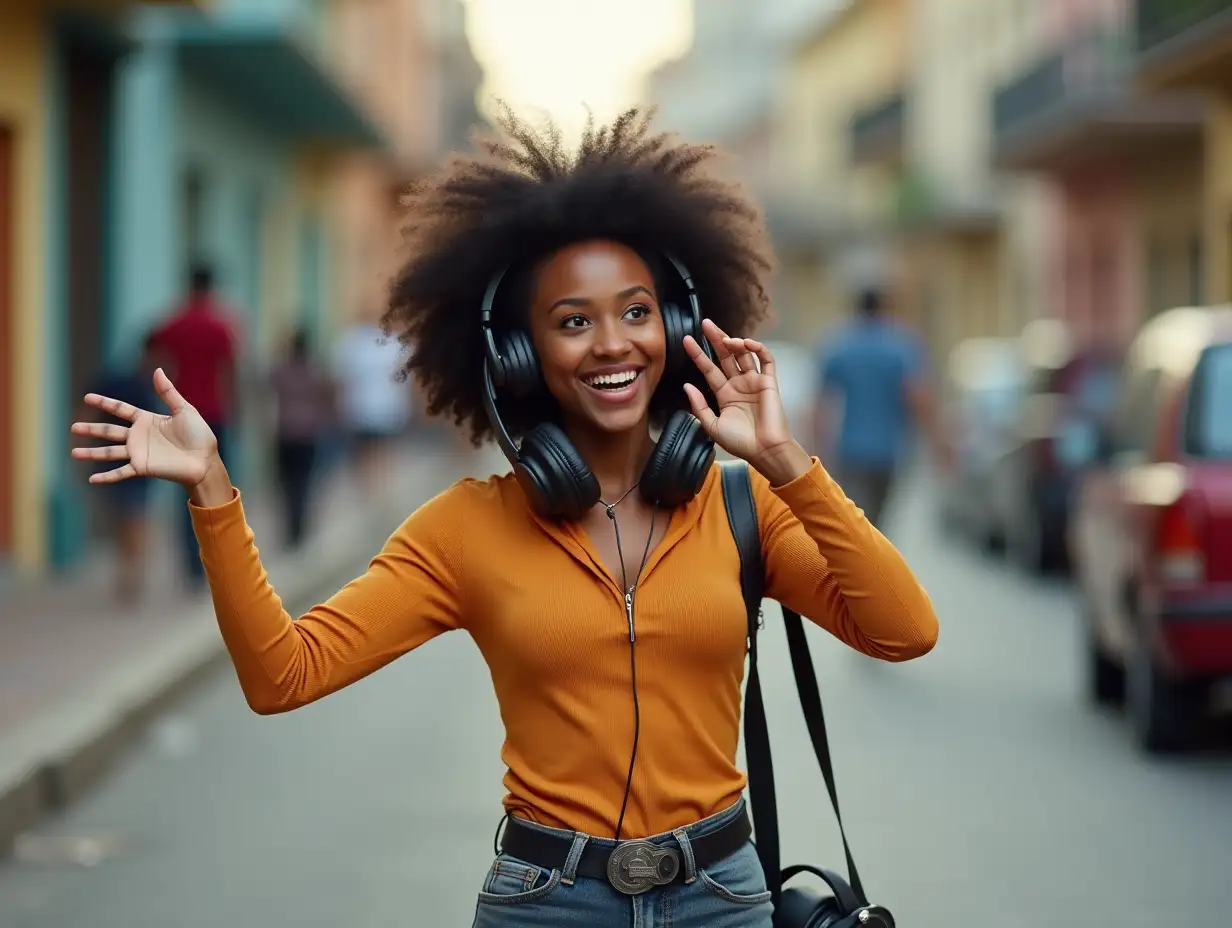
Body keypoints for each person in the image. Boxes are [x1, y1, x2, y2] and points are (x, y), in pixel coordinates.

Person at [70, 107, 939, 927]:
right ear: (519, 356)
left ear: (676, 325)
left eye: (637, 312)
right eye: (572, 321)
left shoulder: (744, 505)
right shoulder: (465, 529)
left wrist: (786, 464)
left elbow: (906, 631)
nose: (612, 343)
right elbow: (282, 676)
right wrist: (213, 492)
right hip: (548, 902)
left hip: (723, 895)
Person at [813, 286, 951, 530]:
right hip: (890, 450)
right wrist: (938, 442)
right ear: (884, 308)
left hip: (851, 450)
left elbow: (822, 405)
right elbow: (919, 398)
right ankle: (873, 562)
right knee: (879, 521)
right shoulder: (901, 346)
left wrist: (817, 449)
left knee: (857, 517)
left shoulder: (840, 346)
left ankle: (865, 562)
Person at [149, 262, 241, 586]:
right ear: (211, 286)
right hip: (215, 417)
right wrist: (236, 410)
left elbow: (150, 349)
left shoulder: (174, 323)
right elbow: (232, 371)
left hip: (183, 417)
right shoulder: (220, 325)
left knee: (184, 493)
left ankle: (189, 565)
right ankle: (214, 561)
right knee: (216, 489)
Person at [83, 333, 160, 602]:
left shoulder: (140, 385)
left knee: (131, 517)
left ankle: (130, 573)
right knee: (130, 518)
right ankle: (130, 572)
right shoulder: (127, 384)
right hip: (122, 462)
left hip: (130, 464)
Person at [331, 313, 412, 495]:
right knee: (375, 450)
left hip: (371, 409)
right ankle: (376, 487)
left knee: (372, 450)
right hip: (376, 409)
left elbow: (341, 378)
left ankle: (373, 487)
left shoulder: (354, 341)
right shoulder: (386, 343)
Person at [269, 328, 334, 549]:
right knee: (305, 483)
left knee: (286, 484)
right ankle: (301, 528)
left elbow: (266, 383)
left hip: (285, 433)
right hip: (308, 433)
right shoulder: (314, 372)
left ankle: (291, 528)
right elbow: (329, 395)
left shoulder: (282, 371)